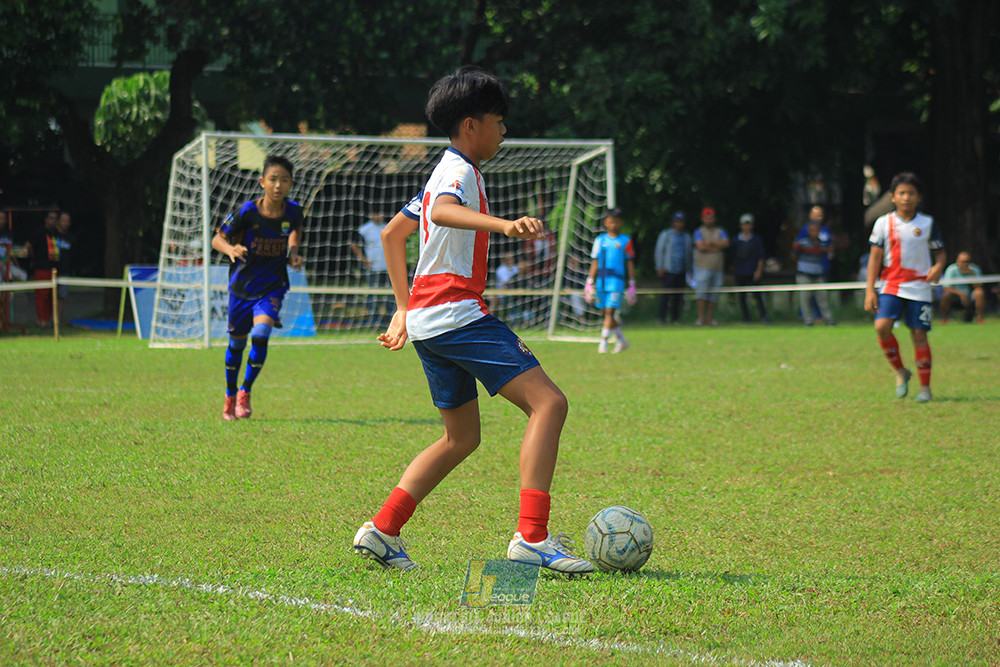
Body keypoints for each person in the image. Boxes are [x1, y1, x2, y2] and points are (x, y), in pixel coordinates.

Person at [353, 66, 592, 574]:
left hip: (428, 320)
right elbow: (441, 212)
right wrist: (504, 225)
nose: (504, 130)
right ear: (470, 125)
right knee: (550, 403)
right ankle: (532, 538)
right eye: (497, 120)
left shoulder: (445, 170)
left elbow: (393, 235)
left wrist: (404, 307)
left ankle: (383, 529)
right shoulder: (458, 173)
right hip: (456, 313)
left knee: (460, 438)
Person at [211, 155, 304, 421]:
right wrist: (231, 249)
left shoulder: (294, 211)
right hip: (242, 287)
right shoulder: (247, 212)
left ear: (291, 184)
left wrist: (293, 253)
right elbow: (217, 239)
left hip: (272, 287)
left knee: (261, 335)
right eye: (273, 179)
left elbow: (295, 230)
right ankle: (230, 395)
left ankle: (245, 391)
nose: (278, 185)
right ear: (262, 181)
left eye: (284, 180)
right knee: (236, 345)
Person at [864, 172, 945, 403]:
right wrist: (870, 290)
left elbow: (940, 253)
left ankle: (925, 389)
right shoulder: (883, 223)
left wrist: (938, 267)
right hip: (891, 284)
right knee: (881, 326)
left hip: (919, 286)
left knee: (919, 334)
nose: (906, 197)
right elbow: (874, 258)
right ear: (893, 197)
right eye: (901, 193)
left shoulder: (927, 223)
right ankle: (901, 371)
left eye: (911, 193)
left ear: (918, 197)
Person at [585, 208, 636, 353]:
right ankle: (621, 340)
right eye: (610, 221)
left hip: (616, 282)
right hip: (601, 281)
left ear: (621, 223)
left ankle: (603, 343)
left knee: (609, 312)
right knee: (604, 313)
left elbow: (630, 262)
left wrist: (632, 283)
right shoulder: (600, 240)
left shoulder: (626, 241)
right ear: (606, 222)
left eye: (616, 222)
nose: (613, 224)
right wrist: (590, 281)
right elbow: (595, 261)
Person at [792, 214, 836, 326]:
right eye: (812, 230)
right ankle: (808, 321)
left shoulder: (822, 243)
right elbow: (794, 255)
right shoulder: (802, 242)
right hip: (804, 274)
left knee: (823, 298)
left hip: (818, 273)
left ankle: (828, 320)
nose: (815, 232)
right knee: (805, 299)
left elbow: (829, 250)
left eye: (817, 230)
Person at [350, 214, 390, 327]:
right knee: (373, 295)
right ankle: (374, 321)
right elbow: (354, 244)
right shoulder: (364, 229)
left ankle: (392, 320)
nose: (380, 216)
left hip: (389, 268)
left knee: (391, 295)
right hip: (373, 268)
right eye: (377, 214)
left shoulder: (388, 226)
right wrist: (363, 260)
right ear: (371, 215)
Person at [654, 211, 693, 325]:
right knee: (665, 295)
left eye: (681, 221)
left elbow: (689, 254)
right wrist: (659, 267)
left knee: (678, 296)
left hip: (681, 270)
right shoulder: (666, 234)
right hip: (668, 270)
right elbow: (659, 251)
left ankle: (675, 318)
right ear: (673, 222)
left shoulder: (686, 236)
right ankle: (661, 318)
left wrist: (689, 270)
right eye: (677, 221)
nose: (679, 224)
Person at [692, 207, 729, 325]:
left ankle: (709, 318)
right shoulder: (698, 232)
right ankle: (700, 318)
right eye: (707, 218)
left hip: (717, 268)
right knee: (701, 294)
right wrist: (717, 248)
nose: (709, 220)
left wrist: (711, 243)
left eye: (711, 218)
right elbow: (700, 246)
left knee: (714, 295)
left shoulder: (720, 231)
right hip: (702, 267)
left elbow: (726, 243)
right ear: (703, 219)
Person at [24, 209, 60, 327]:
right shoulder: (40, 232)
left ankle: (48, 320)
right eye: (51, 218)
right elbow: (28, 245)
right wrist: (34, 258)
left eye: (55, 218)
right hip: (41, 268)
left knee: (51, 295)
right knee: (42, 295)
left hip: (54, 268)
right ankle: (41, 320)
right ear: (46, 220)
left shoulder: (57, 233)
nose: (53, 221)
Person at [732, 213, 769, 323]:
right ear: (741, 226)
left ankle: (763, 316)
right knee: (742, 297)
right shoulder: (736, 241)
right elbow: (733, 257)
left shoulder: (756, 240)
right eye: (744, 224)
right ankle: (746, 317)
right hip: (740, 272)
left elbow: (761, 256)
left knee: (757, 296)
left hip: (753, 271)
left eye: (749, 224)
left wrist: (758, 270)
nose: (746, 226)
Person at [939, 252, 985, 324]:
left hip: (970, 295)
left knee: (979, 292)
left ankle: (980, 318)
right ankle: (944, 318)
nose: (965, 264)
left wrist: (972, 274)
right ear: (958, 261)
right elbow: (946, 287)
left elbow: (978, 286)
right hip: (955, 295)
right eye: (963, 262)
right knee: (946, 294)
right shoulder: (951, 269)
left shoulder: (975, 269)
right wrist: (961, 294)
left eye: (967, 262)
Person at [54, 210, 75, 324]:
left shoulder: (71, 237)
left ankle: (57, 321)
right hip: (52, 269)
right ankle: (47, 320)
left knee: (61, 296)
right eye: (63, 221)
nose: (65, 223)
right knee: (50, 296)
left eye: (68, 221)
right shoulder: (52, 235)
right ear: (58, 221)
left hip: (65, 271)